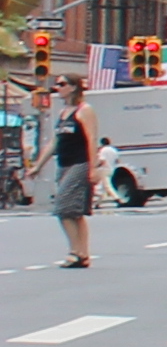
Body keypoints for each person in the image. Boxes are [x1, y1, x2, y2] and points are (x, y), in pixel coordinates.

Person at [42, 86, 94, 269]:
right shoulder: (64, 112)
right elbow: (54, 142)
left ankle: (75, 252)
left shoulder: (84, 110)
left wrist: (93, 168)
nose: (58, 88)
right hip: (63, 164)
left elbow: (92, 140)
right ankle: (84, 254)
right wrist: (37, 165)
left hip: (80, 163)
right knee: (75, 212)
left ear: (73, 87)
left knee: (62, 208)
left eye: (62, 84)